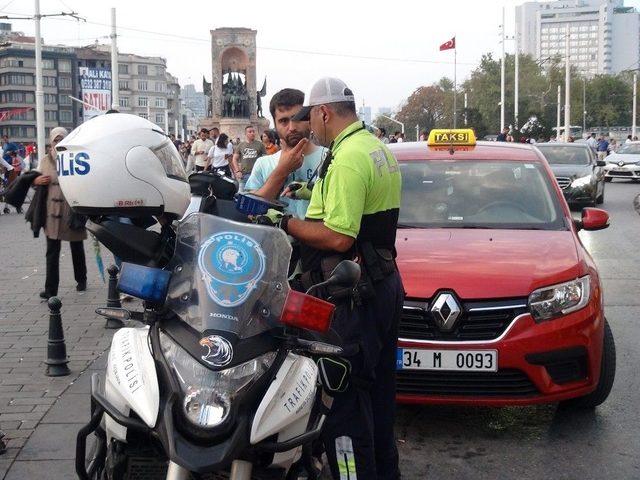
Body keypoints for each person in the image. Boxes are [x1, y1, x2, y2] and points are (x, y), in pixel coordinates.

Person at [263, 78, 403, 479]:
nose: (308, 128)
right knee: (377, 396)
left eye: (311, 119)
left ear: (324, 113)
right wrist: (309, 192)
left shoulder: (346, 158)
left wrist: (283, 220)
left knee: (342, 402)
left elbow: (339, 237)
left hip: (353, 292)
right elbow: (363, 207)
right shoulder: (374, 148)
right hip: (383, 280)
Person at [245, 88, 326, 220]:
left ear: (309, 119)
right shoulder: (263, 163)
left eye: (298, 118)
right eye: (283, 121)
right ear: (275, 125)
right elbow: (250, 211)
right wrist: (282, 170)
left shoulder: (330, 158)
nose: (292, 127)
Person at [33, 127, 87, 299]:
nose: (58, 142)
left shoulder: (75, 157)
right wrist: (37, 180)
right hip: (52, 212)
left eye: (62, 139)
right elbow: (34, 179)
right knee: (52, 251)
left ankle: (81, 279)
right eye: (56, 140)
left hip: (71, 210)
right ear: (51, 141)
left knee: (76, 247)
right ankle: (50, 290)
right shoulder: (45, 160)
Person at [232, 125, 267, 190]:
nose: (252, 133)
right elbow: (234, 159)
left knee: (255, 196)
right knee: (241, 195)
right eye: (250, 132)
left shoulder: (260, 144)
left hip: (256, 175)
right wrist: (237, 171)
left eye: (253, 131)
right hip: (244, 175)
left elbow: (265, 159)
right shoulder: (241, 145)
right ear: (245, 134)